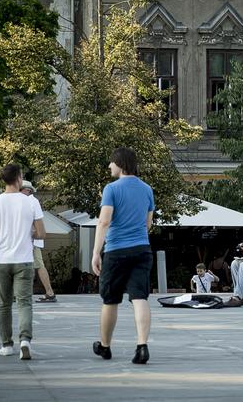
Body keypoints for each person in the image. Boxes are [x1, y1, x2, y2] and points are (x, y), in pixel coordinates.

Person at [91, 148, 155, 364]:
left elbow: (104, 221)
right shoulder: (147, 189)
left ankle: (105, 347)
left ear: (120, 164)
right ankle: (142, 346)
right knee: (140, 297)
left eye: (112, 162)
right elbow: (148, 224)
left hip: (116, 250)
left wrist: (95, 252)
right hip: (141, 250)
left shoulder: (111, 189)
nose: (109, 166)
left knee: (110, 299)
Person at [0, 163, 45, 360]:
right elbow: (41, 233)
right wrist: (29, 232)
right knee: (24, 303)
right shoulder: (31, 202)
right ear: (19, 178)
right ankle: (25, 340)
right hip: (24, 260)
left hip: (1, 261)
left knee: (4, 305)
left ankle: (6, 345)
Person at [20, 180, 57, 303]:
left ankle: (50, 293)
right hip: (29, 240)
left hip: (31, 240)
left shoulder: (30, 201)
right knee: (29, 266)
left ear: (25, 190)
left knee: (38, 265)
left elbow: (35, 221)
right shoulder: (29, 201)